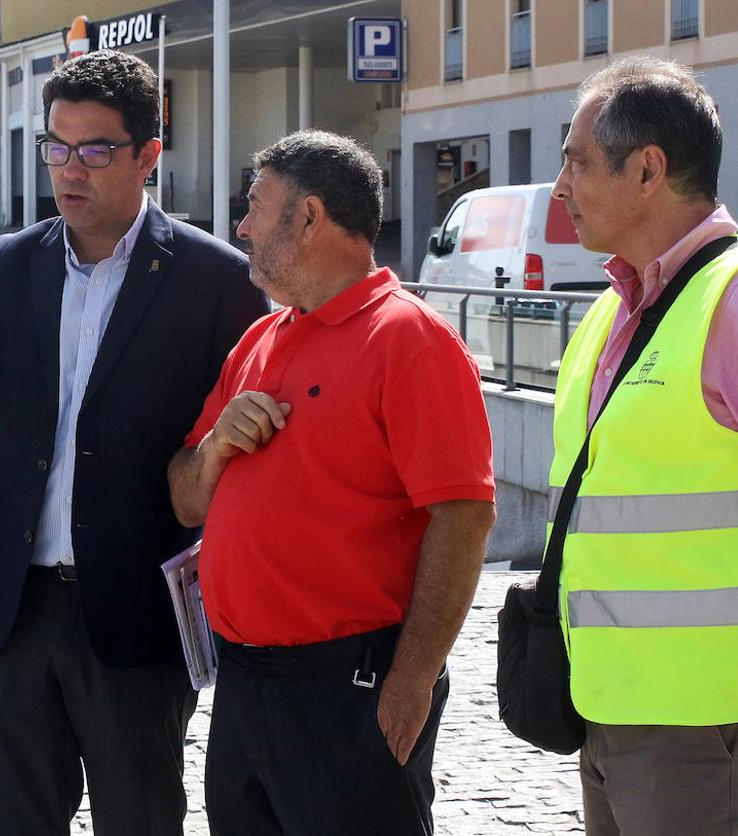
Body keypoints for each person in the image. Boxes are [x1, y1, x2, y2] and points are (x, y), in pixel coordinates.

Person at [0, 50, 267, 836]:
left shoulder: (218, 282)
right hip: (13, 612)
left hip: (137, 619)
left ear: (150, 154)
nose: (68, 169)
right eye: (56, 146)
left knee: (141, 822)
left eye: (95, 150)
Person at [168, 130, 497, 835]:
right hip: (245, 688)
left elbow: (464, 516)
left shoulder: (410, 339)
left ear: (310, 218)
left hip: (350, 687)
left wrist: (410, 682)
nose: (242, 227)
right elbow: (185, 496)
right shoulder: (257, 340)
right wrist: (218, 446)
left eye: (256, 207)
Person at [545, 57, 738, 835]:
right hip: (608, 711)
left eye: (577, 162)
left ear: (648, 170)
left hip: (703, 727)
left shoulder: (731, 302)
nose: (560, 188)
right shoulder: (610, 312)